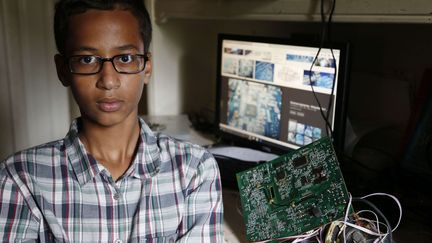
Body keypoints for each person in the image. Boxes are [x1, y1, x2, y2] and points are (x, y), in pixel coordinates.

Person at [0, 0, 224, 242]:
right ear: (63, 69)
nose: (108, 80)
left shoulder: (195, 169)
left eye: (125, 58)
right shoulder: (21, 178)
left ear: (146, 67)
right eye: (87, 60)